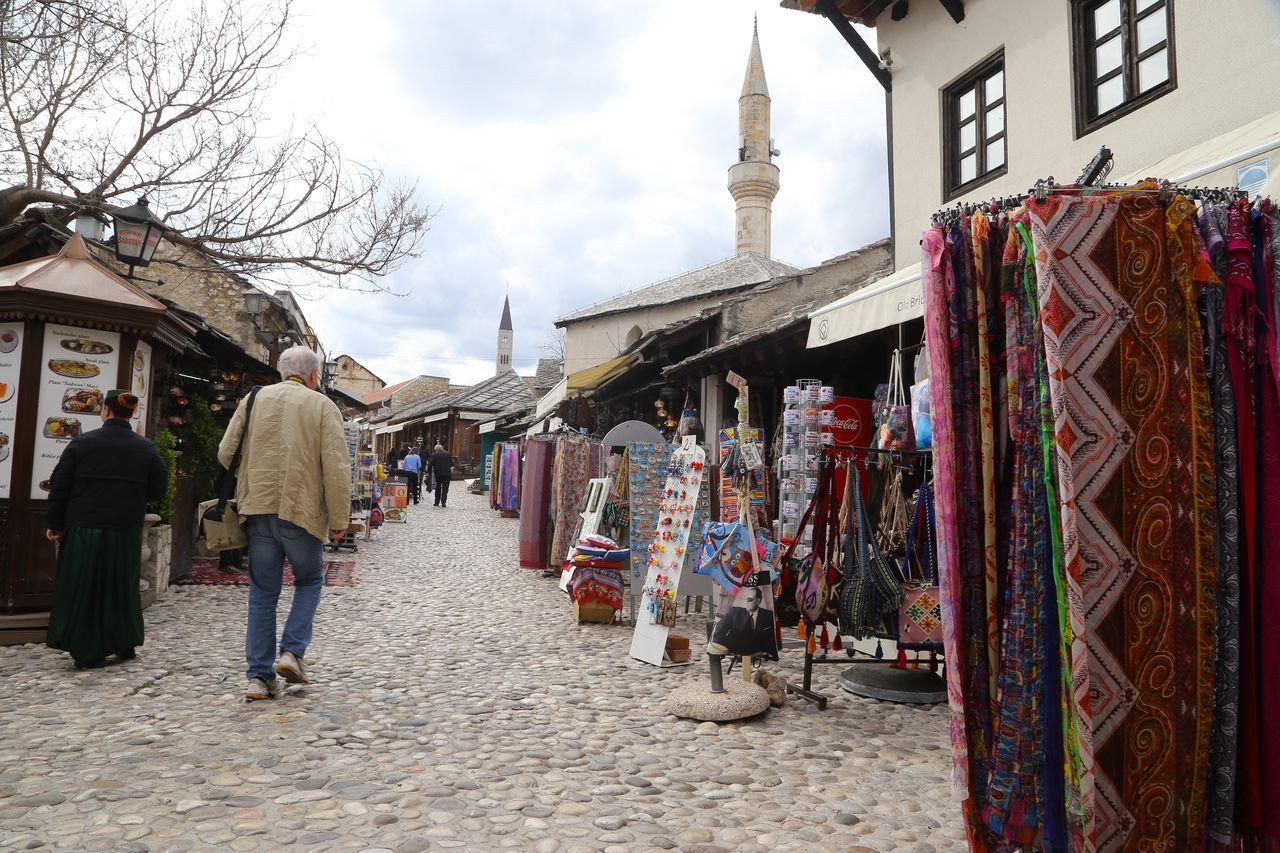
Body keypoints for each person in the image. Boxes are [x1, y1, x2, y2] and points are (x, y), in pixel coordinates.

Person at [218, 346, 351, 701]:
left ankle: (258, 678)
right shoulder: (322, 406)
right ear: (313, 375)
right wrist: (340, 518)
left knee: (263, 592)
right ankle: (292, 652)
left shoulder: (253, 399)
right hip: (301, 510)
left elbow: (225, 452)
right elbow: (336, 467)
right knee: (309, 580)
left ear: (280, 371)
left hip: (258, 507)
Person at [45, 390, 168, 669]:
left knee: (84, 586)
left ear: (105, 411)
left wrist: (54, 524)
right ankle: (123, 641)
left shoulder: (82, 444)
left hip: (84, 527)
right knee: (120, 587)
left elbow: (59, 486)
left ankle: (88, 650)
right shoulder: (145, 448)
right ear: (132, 413)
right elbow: (159, 487)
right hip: (124, 528)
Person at [709, 585, 776, 657]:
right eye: (746, 599)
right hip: (736, 649)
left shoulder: (768, 615)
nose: (747, 602)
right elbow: (718, 633)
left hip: (759, 652)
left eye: (750, 600)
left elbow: (771, 640)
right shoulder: (735, 612)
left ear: (758, 601)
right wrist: (723, 650)